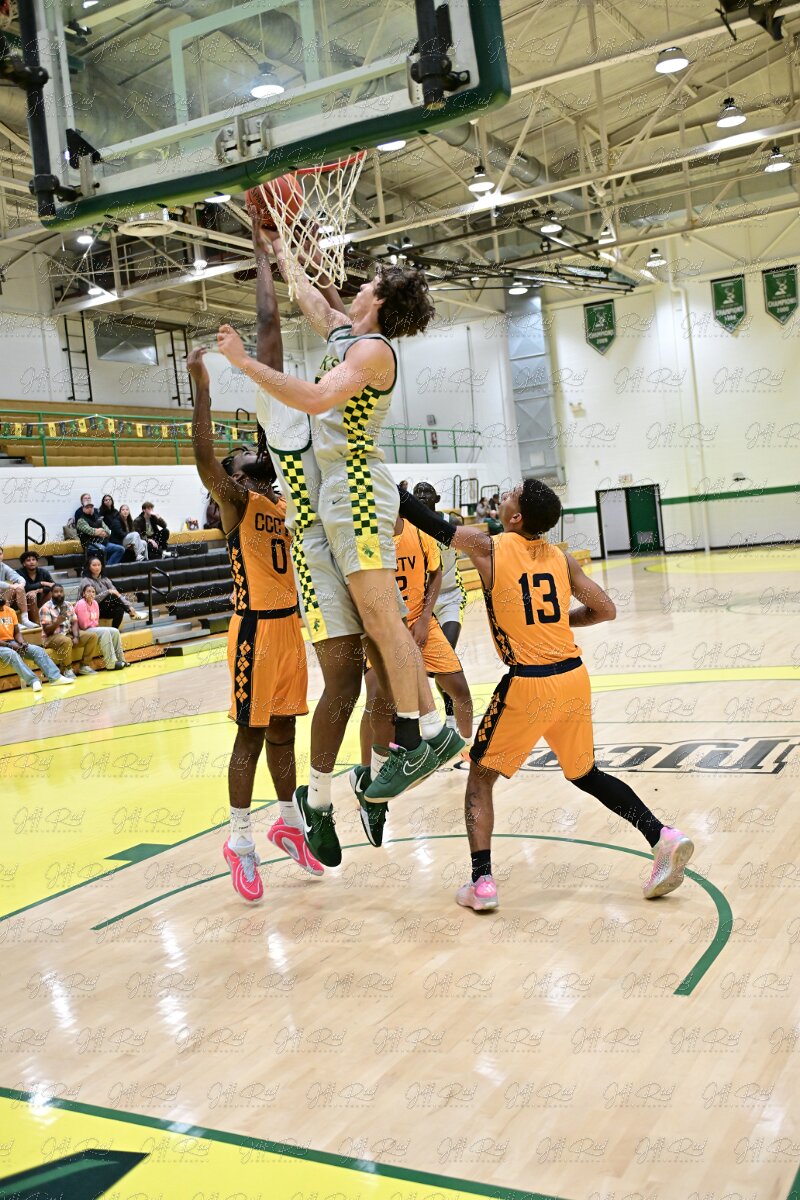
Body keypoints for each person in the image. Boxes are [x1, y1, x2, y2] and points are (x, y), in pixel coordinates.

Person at [227, 223, 459, 870]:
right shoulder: (348, 344)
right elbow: (316, 304)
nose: (356, 287)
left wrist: (242, 362)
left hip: (353, 492)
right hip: (320, 529)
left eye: (369, 283)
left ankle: (418, 736)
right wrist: (281, 250)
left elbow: (312, 385)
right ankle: (340, 789)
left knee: (384, 636)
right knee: (353, 671)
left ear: (379, 299)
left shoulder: (366, 355)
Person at [398, 479, 695, 911]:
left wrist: (392, 491)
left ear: (516, 517)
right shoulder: (560, 558)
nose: (503, 497)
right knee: (586, 774)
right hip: (572, 677)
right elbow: (606, 609)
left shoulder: (489, 547)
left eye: (509, 496)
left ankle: (482, 883)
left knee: (480, 777)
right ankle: (662, 836)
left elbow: (431, 524)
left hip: (529, 683)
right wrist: (558, 622)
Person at [188, 345, 320, 901]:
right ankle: (240, 842)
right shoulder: (238, 504)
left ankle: (288, 823)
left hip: (290, 630)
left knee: (286, 732)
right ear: (234, 480)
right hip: (254, 631)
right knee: (251, 735)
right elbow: (204, 457)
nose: (252, 465)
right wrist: (203, 388)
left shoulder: (284, 506)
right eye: (243, 464)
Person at [414, 482, 468, 732]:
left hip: (450, 596)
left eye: (427, 492)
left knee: (445, 655)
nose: (421, 496)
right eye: (417, 492)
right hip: (422, 602)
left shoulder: (451, 522)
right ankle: (423, 720)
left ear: (436, 498)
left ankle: (452, 719)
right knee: (431, 668)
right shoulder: (408, 525)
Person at [0, 587, 75, 690]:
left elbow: (16, 632)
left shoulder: (10, 611)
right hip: (2, 646)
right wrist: (10, 645)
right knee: (11, 654)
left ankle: (55, 678)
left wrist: (22, 642)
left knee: (37, 650)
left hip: (12, 642)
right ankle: (33, 681)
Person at [39, 584, 100, 678]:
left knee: (92, 636)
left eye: (61, 591)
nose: (59, 594)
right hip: (50, 638)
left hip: (67, 634)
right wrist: (57, 622)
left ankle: (84, 666)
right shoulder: (45, 608)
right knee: (66, 640)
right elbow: (47, 631)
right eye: (56, 592)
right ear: (51, 593)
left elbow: (74, 622)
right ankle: (67, 669)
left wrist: (76, 636)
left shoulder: (68, 605)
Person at [80, 556, 145, 628]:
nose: (97, 567)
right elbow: (90, 599)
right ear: (89, 567)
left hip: (103, 610)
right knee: (112, 595)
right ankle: (131, 613)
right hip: (90, 610)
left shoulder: (105, 579)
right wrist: (107, 592)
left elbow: (117, 594)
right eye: (94, 565)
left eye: (99, 565)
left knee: (119, 609)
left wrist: (129, 606)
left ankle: (114, 631)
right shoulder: (86, 581)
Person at [74, 583, 127, 670]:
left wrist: (93, 624)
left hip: (92, 629)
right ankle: (111, 664)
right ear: (83, 594)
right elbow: (83, 625)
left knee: (115, 631)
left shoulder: (95, 603)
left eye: (93, 592)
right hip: (82, 631)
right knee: (105, 631)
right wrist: (93, 624)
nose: (91, 594)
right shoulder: (81, 604)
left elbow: (96, 621)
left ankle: (121, 660)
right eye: (88, 591)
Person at [76, 500, 126, 566]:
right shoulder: (81, 521)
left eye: (91, 507)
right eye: (87, 507)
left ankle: (108, 566)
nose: (90, 509)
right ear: (83, 509)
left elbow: (108, 531)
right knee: (102, 549)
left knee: (121, 549)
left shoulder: (98, 518)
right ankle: (104, 567)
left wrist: (102, 531)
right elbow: (91, 532)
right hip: (89, 545)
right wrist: (99, 531)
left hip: (103, 542)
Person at [0, 546, 39, 629]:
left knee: (19, 588)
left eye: (0, 554)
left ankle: (25, 620)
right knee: (11, 588)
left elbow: (18, 577)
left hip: (1, 597)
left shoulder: (3, 566)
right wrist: (10, 585)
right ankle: (10, 622)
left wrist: (21, 584)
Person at [101, 497, 147, 562]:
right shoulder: (116, 520)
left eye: (127, 509)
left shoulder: (129, 521)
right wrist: (131, 537)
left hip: (127, 540)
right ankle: (138, 556)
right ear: (120, 512)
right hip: (119, 541)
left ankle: (146, 560)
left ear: (129, 511)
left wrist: (132, 541)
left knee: (144, 542)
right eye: (123, 510)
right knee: (135, 534)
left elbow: (132, 533)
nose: (125, 511)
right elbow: (120, 533)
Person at [19, 550, 54, 625]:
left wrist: (38, 590)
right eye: (28, 560)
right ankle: (37, 623)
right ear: (24, 563)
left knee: (50, 592)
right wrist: (42, 583)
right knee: (32, 596)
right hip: (23, 601)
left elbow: (54, 586)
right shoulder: (19, 573)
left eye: (33, 559)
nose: (31, 562)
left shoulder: (43, 572)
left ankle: (47, 618)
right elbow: (26, 587)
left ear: (37, 562)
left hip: (39, 599)